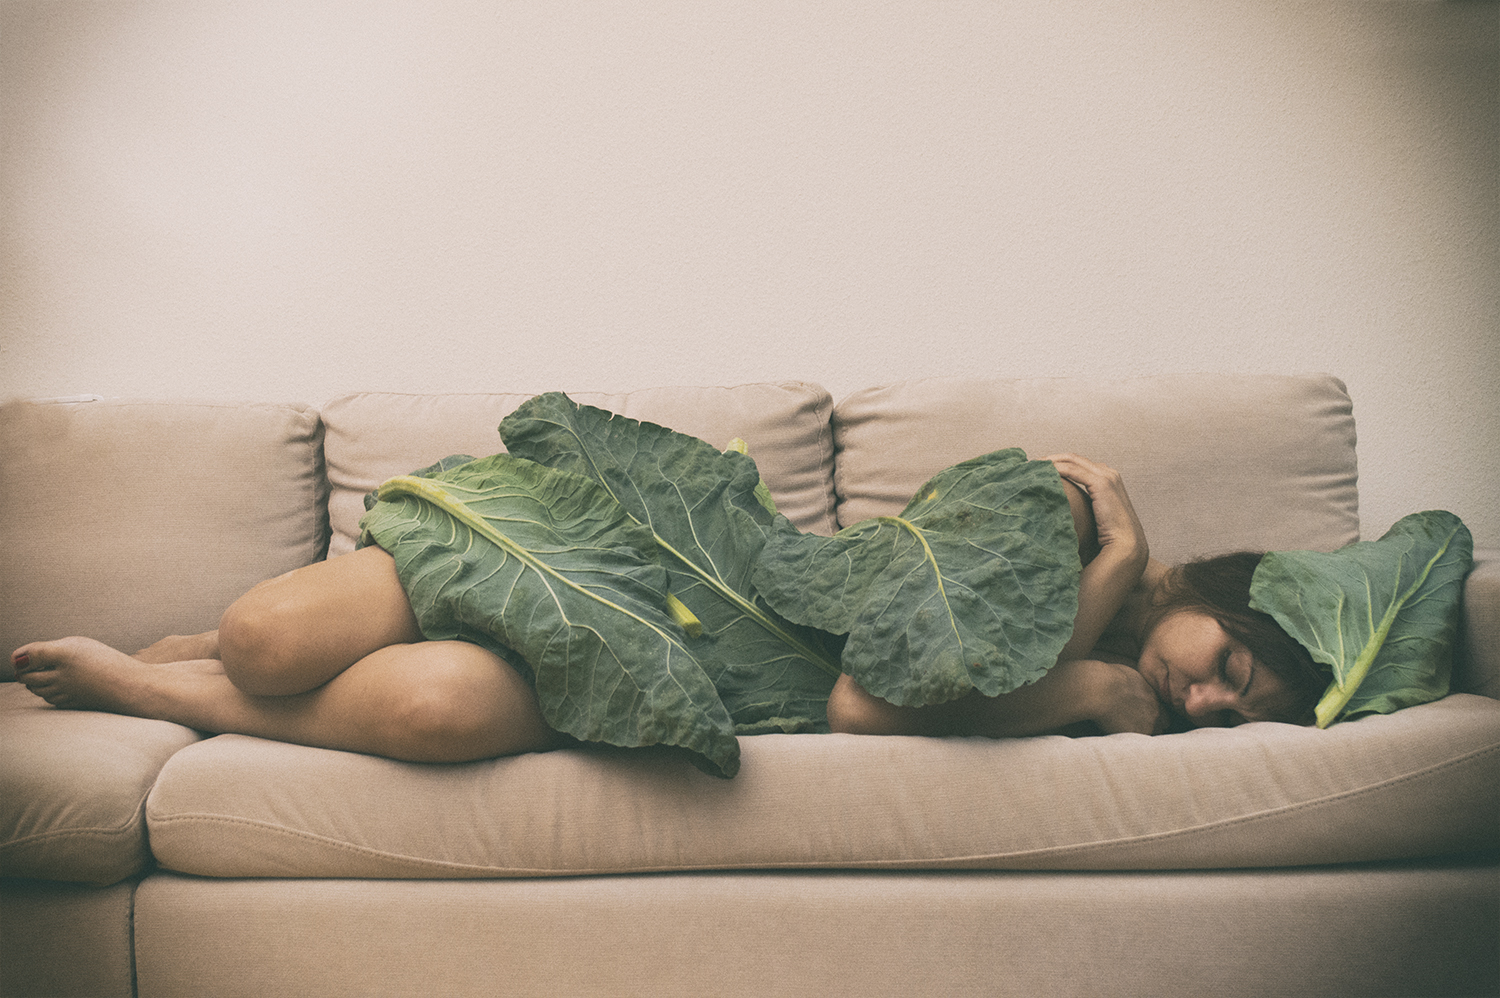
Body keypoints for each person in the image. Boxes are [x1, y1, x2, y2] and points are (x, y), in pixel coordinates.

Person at [9, 454, 1324, 765]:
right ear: (1212, 594)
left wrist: (1100, 686)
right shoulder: (1062, 524)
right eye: (1231, 660)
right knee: (260, 639)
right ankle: (205, 654)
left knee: (433, 707)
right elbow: (901, 663)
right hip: (625, 564)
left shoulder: (1108, 709)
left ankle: (158, 688)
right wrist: (1116, 564)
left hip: (655, 664)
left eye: (1237, 711)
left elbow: (862, 709)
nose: (1206, 698)